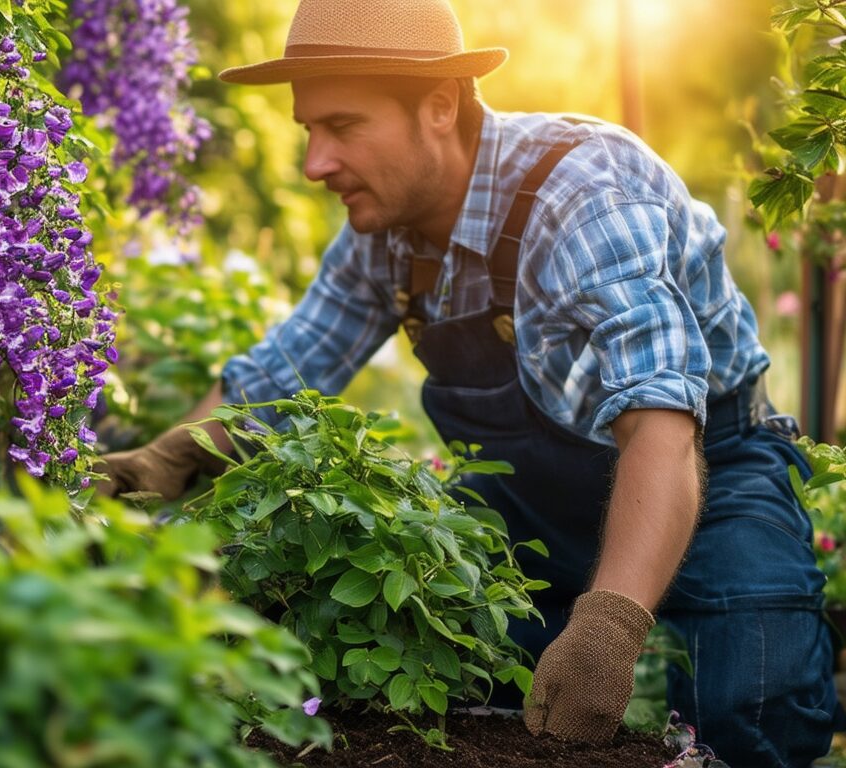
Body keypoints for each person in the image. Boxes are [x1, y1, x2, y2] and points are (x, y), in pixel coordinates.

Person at [97, 0, 845, 764]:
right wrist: (166, 458)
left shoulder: (584, 195)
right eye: (308, 131)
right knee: (433, 685)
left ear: (440, 106)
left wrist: (609, 627)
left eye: (343, 127)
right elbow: (285, 372)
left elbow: (661, 423)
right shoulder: (387, 228)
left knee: (754, 708)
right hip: (526, 503)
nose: (314, 164)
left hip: (708, 474)